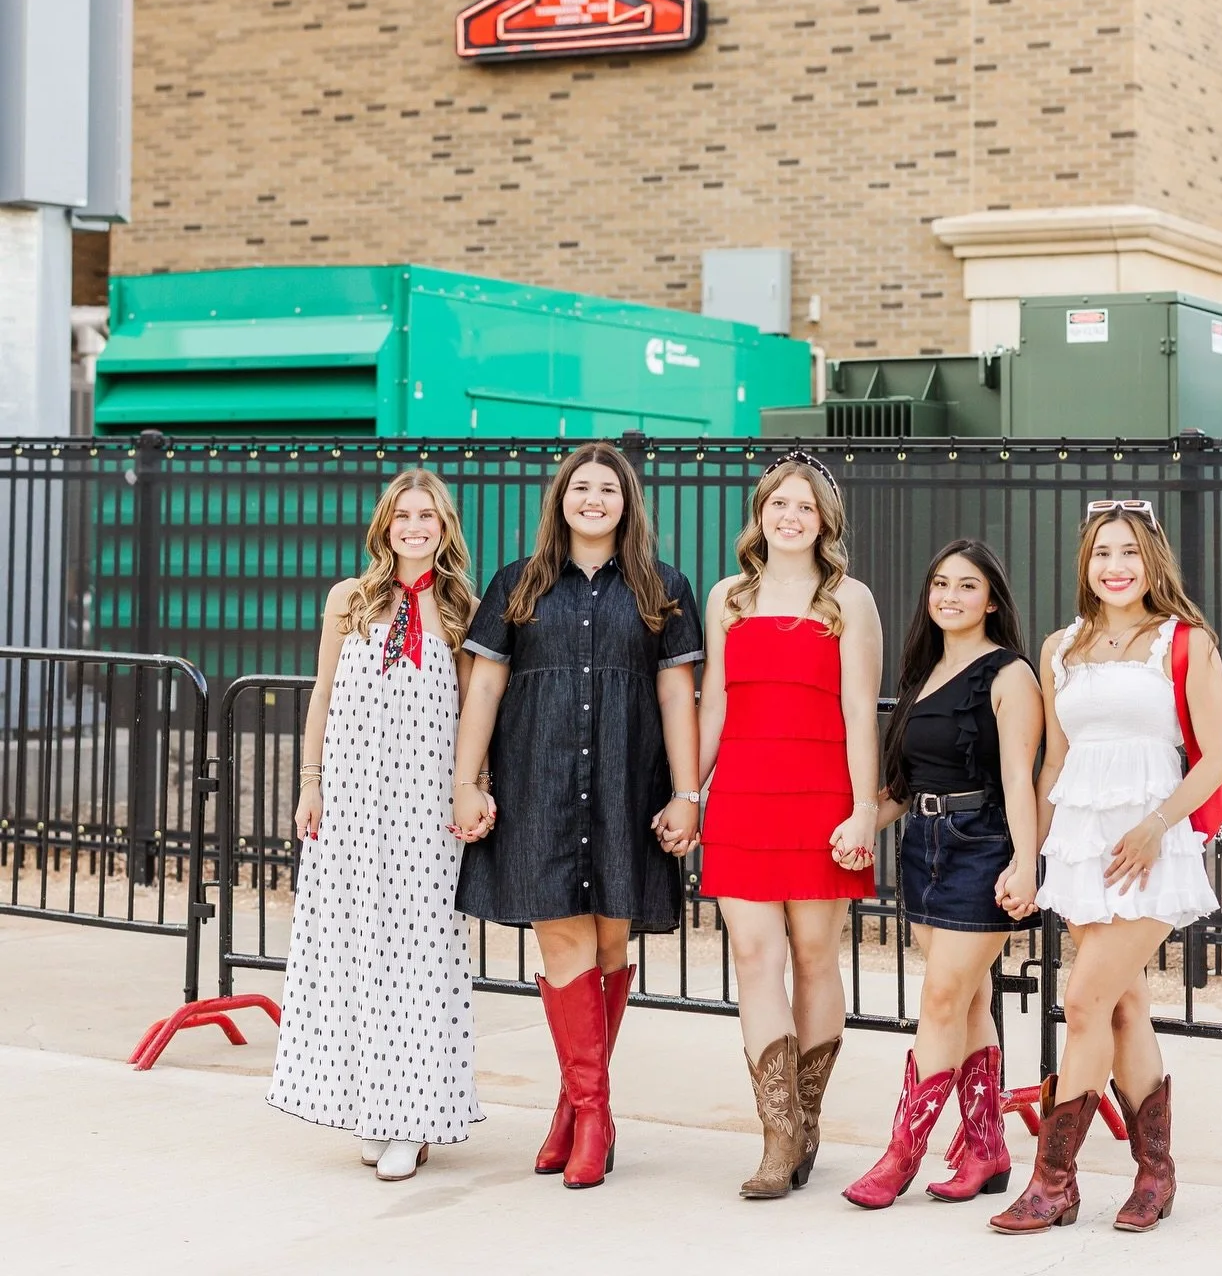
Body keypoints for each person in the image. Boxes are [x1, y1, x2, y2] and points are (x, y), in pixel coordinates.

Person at [451, 443, 702, 1190]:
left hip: (629, 785)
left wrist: (688, 795)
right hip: (540, 786)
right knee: (565, 944)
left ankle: (572, 1106)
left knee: (610, 943)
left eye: (608, 489)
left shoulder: (665, 588)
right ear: (560, 498)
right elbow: (486, 692)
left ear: (628, 503)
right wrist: (467, 782)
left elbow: (674, 699)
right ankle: (595, 1115)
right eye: (581, 487)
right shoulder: (516, 584)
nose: (594, 499)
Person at [991, 499, 1222, 1236]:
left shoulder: (1186, 642)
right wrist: (1029, 858)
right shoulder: (1062, 647)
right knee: (1122, 1005)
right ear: (1085, 565)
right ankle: (1154, 1174)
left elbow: (1217, 757)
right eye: (1102, 553)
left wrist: (1157, 827)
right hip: (1083, 848)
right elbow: (1055, 761)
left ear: (1151, 560)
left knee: (1086, 1001)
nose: (1116, 566)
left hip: (1151, 848)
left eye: (1129, 552)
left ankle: (1053, 1182)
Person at [267, 470, 482, 1182]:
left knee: (416, 958)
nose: (414, 526)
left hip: (422, 812)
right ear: (384, 525)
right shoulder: (348, 601)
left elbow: (472, 719)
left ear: (444, 527)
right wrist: (310, 785)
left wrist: (470, 790)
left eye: (427, 515)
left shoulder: (463, 610)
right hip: (353, 807)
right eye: (402, 515)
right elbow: (323, 693)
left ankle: (412, 1118)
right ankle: (371, 1103)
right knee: (353, 952)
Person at [698, 452, 883, 1200]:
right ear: (762, 513)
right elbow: (714, 702)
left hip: (820, 794)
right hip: (742, 793)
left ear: (824, 520)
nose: (791, 516)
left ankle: (809, 1119)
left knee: (812, 954)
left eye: (805, 506)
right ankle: (777, 1135)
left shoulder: (849, 600)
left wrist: (864, 807)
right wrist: (688, 789)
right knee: (752, 950)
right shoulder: (727, 598)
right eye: (780, 503)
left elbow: (859, 713)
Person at [842, 538, 1043, 1209]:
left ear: (991, 600)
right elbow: (907, 782)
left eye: (966, 586)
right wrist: (864, 820)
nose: (950, 597)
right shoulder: (923, 674)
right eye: (939, 585)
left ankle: (902, 1155)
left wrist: (1024, 858)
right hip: (923, 845)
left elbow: (1020, 777)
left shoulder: (1008, 674)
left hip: (982, 842)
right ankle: (986, 1149)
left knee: (938, 1001)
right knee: (970, 1002)